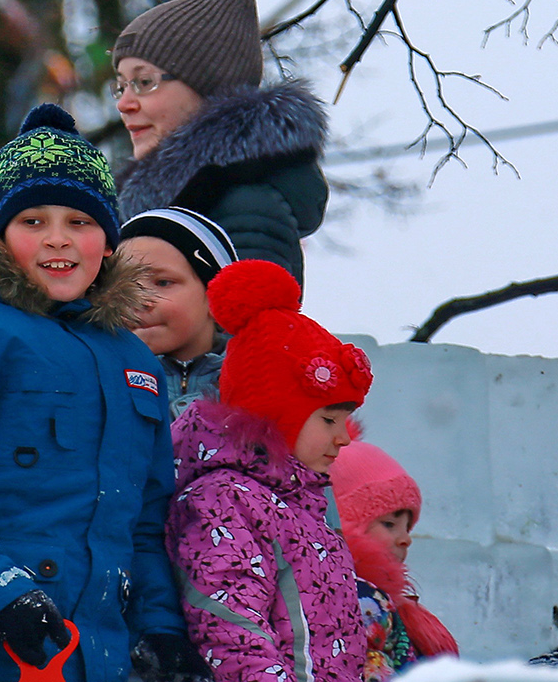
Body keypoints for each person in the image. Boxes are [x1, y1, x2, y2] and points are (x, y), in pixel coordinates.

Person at [0, 104, 207, 682]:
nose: (59, 240)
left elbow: (145, 521)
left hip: (95, 658)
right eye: (33, 222)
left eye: (80, 221)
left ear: (108, 240)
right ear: (1, 236)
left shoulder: (131, 357)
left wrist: (162, 630)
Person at [166, 258, 372, 682]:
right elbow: (231, 632)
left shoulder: (305, 506)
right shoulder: (225, 500)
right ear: (276, 417)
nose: (344, 437)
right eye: (328, 420)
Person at [110, 0, 328, 285]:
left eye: (144, 82)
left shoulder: (244, 203)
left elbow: (248, 327)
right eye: (121, 87)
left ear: (208, 86)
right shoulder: (173, 199)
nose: (124, 105)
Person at [328, 432, 460, 680]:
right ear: (344, 524)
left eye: (407, 527)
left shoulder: (390, 604)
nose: (405, 539)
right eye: (389, 524)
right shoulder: (360, 601)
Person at [118, 206, 238, 419]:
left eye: (162, 283)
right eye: (124, 287)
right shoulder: (105, 376)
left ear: (215, 297)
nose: (138, 299)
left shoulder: (253, 381)